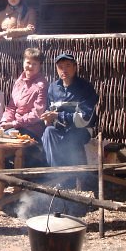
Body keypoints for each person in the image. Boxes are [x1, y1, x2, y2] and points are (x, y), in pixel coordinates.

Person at [41, 53, 98, 190]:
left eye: (67, 66)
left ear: (75, 67)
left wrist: (59, 116)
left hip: (81, 130)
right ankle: (59, 176)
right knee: (48, 133)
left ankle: (73, 178)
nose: (64, 70)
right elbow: (50, 110)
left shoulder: (85, 88)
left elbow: (84, 118)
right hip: (60, 128)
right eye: (60, 67)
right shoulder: (53, 88)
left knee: (72, 136)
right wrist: (48, 119)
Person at [0, 47, 48, 141]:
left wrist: (14, 123)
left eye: (34, 64)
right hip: (13, 125)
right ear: (23, 62)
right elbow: (11, 107)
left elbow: (37, 114)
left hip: (31, 128)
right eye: (28, 62)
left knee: (4, 138)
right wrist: (5, 121)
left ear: (40, 66)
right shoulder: (18, 82)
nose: (30, 66)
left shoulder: (42, 85)